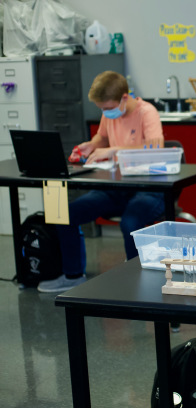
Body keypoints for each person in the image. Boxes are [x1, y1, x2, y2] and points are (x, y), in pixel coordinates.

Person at [37, 71, 165, 293]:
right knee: (66, 214)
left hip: (149, 189)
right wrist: (91, 145)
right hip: (117, 188)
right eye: (102, 109)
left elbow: (156, 148)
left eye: (107, 107)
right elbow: (102, 138)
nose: (105, 112)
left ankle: (139, 281)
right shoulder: (110, 114)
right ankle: (73, 275)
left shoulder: (147, 113)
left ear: (125, 98)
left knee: (130, 223)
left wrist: (114, 149)